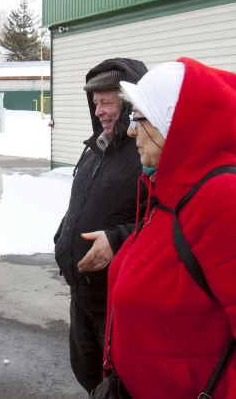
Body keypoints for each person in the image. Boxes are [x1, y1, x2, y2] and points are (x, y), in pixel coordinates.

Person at [104, 58, 236, 398]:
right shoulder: (172, 191)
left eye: (140, 118)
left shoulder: (227, 202)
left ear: (176, 125)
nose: (131, 130)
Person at [53, 58, 148, 393]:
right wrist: (63, 233)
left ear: (132, 103)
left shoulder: (146, 152)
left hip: (116, 295)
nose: (99, 111)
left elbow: (160, 220)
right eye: (95, 103)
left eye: (107, 102)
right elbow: (81, 202)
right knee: (89, 374)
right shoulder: (95, 148)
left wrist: (117, 239)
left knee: (122, 382)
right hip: (82, 289)